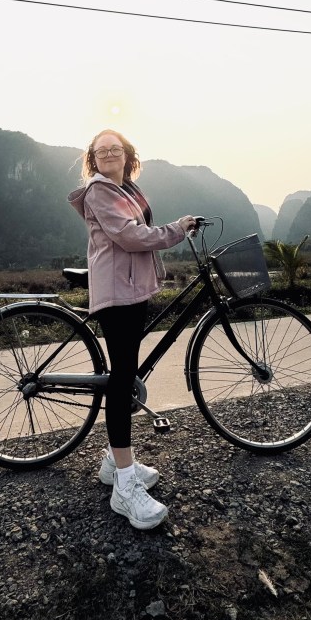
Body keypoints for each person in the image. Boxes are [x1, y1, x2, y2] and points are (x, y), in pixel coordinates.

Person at [68, 129, 196, 530]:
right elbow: (129, 235)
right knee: (121, 381)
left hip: (132, 289)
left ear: (127, 155)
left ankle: (114, 462)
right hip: (117, 294)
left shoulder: (127, 189)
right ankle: (124, 488)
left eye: (114, 148)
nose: (108, 154)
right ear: (93, 158)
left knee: (126, 374)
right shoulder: (99, 191)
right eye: (100, 150)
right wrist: (176, 230)